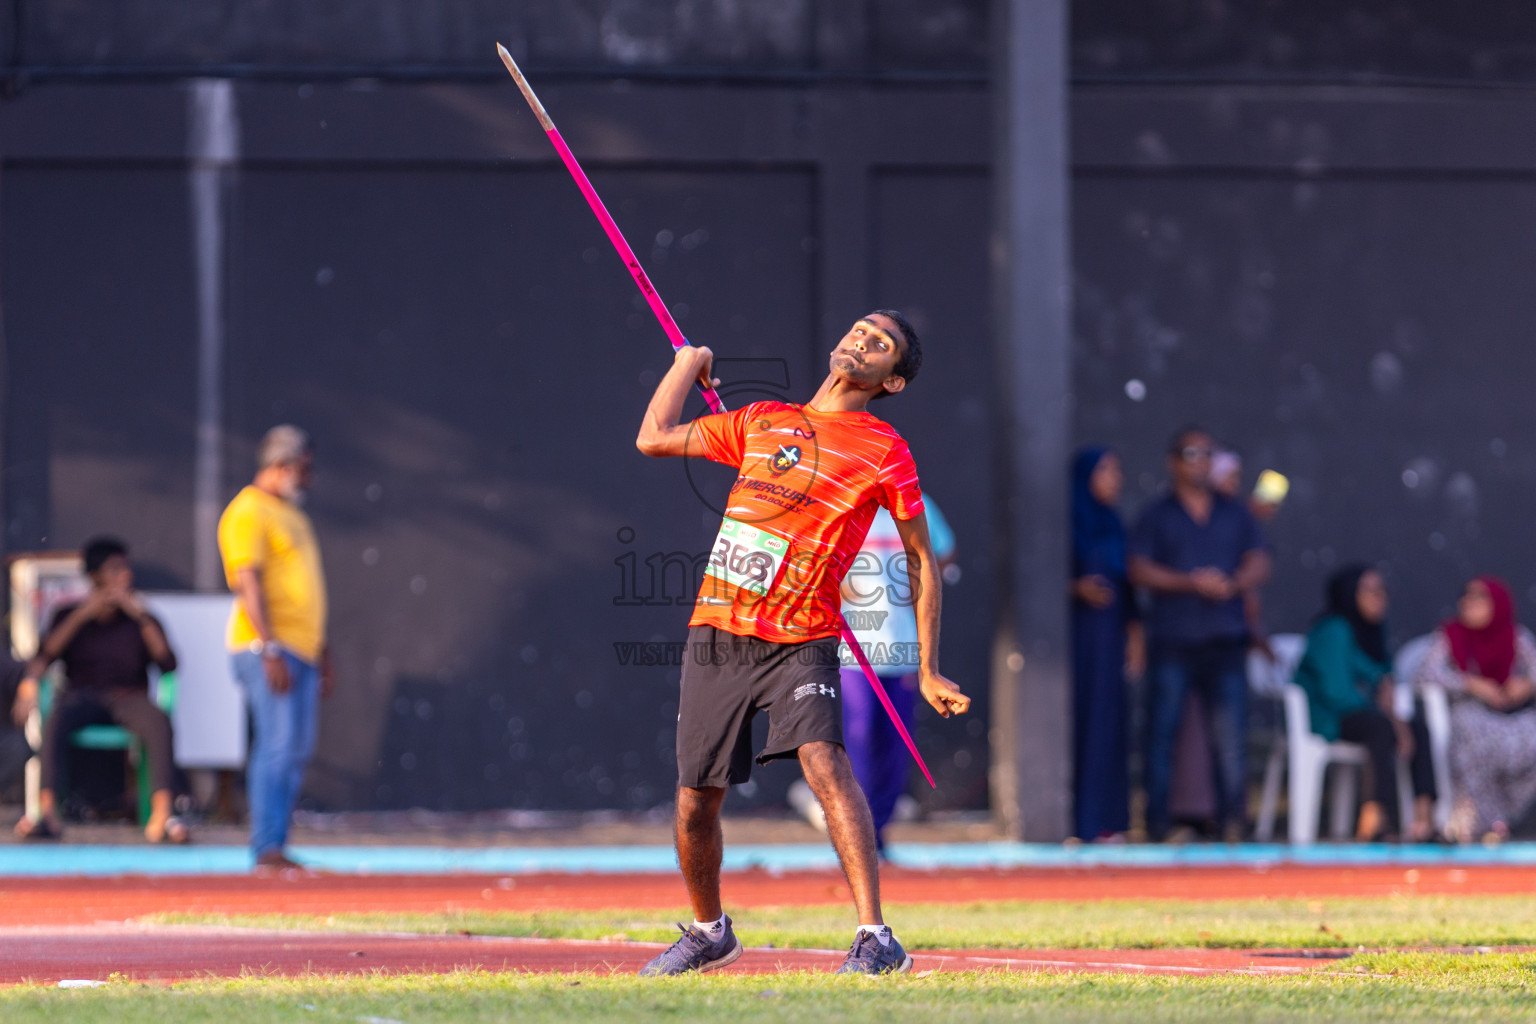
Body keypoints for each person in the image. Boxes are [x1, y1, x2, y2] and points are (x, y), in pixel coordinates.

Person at [634, 310, 970, 976]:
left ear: (892, 381)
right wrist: (685, 365)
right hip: (719, 632)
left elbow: (921, 560)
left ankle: (875, 938)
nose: (862, 341)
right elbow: (654, 438)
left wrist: (929, 668)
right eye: (861, 329)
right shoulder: (759, 420)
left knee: (826, 765)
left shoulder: (883, 449)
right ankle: (709, 932)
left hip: (803, 635)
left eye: (882, 345)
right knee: (696, 797)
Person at [1129, 427, 1271, 843]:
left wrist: (1234, 581)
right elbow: (1138, 569)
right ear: (1173, 461)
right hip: (1173, 640)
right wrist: (1192, 583)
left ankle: (1233, 826)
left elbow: (1261, 560)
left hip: (1225, 639)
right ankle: (1156, 825)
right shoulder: (1157, 515)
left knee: (1231, 740)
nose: (1203, 461)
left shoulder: (1235, 513)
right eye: (1193, 453)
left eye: (1210, 453)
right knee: (1161, 736)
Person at [11, 537, 186, 842]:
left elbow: (168, 664)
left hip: (129, 697)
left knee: (158, 721)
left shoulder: (141, 619)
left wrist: (140, 615)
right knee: (55, 720)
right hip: (83, 697)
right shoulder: (68, 615)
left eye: (126, 568)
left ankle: (162, 815)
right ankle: (48, 813)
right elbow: (45, 657)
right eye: (115, 569)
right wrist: (82, 615)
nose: (125, 576)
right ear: (94, 577)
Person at [218, 425, 333, 871]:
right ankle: (265, 846)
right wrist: (268, 647)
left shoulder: (292, 515)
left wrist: (322, 648)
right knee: (278, 745)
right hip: (266, 646)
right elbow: (248, 581)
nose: (309, 478)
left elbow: (302, 586)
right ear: (281, 465)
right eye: (304, 469)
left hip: (303, 649)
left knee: (297, 750)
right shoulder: (248, 510)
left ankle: (277, 844)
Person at [1293, 565, 1435, 841]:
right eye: (1370, 590)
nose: (1379, 597)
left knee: (1417, 726)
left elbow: (1386, 680)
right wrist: (1391, 717)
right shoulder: (1333, 629)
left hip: (1369, 714)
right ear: (1349, 593)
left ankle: (1423, 819)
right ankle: (1374, 820)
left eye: (1383, 590)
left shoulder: (1374, 632)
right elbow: (1338, 693)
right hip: (1330, 717)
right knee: (1380, 727)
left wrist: (1395, 717)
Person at [1414, 576, 1536, 843]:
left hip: (1509, 718)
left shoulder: (1515, 636)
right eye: (1466, 596)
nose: (1469, 602)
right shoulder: (1450, 636)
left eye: (1479, 597)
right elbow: (1424, 674)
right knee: (1471, 731)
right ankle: (1486, 822)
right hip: (1470, 715)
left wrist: (1526, 685)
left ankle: (1506, 817)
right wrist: (1471, 684)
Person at [1070, 447, 1144, 842]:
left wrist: (1135, 635)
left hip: (1109, 637)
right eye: (1107, 470)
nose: (1116, 478)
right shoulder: (1066, 523)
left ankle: (1107, 821)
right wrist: (1075, 588)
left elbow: (1127, 584)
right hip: (1077, 643)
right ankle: (1078, 821)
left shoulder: (1114, 523)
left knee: (1109, 724)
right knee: (1082, 722)